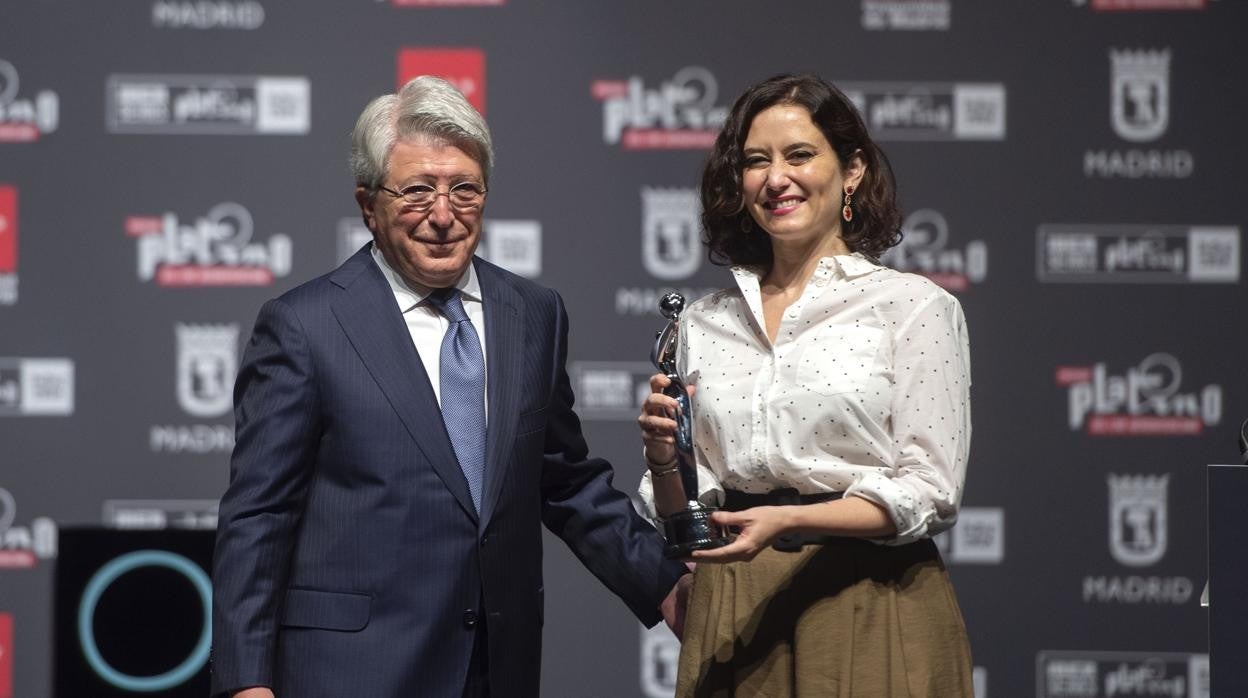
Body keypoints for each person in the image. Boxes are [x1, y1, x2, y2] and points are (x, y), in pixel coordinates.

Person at [210, 76, 690, 698]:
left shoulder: (533, 313)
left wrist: (665, 584)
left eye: (463, 188)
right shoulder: (304, 326)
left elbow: (566, 479)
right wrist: (245, 682)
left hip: (496, 669)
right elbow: (258, 516)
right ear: (367, 204)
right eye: (416, 191)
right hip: (351, 672)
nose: (443, 215)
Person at [637, 73, 974, 696]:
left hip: (868, 598)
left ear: (852, 172)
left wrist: (790, 521)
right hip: (733, 606)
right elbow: (683, 514)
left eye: (799, 155)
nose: (775, 178)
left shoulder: (913, 307)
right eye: (755, 161)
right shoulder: (700, 323)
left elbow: (931, 487)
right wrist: (663, 460)